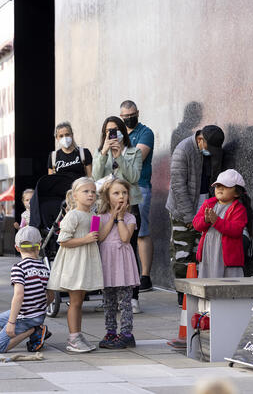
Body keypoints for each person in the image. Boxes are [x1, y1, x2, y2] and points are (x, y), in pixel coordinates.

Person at [165, 125, 224, 305]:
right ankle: (182, 294)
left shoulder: (212, 151)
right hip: (183, 211)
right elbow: (178, 187)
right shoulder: (183, 151)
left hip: (204, 209)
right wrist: (189, 217)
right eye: (208, 148)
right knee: (183, 252)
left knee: (199, 252)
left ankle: (197, 291)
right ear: (200, 140)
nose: (210, 153)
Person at [92, 116, 143, 313]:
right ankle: (109, 294)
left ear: (122, 131)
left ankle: (133, 296)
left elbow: (134, 177)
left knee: (129, 247)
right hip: (104, 207)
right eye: (108, 131)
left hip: (129, 206)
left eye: (116, 130)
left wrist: (120, 155)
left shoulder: (134, 151)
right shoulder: (99, 152)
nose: (113, 134)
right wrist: (104, 152)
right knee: (105, 246)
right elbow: (95, 177)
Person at [47, 177, 104, 353]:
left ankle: (77, 335)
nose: (90, 195)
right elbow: (63, 240)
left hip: (85, 261)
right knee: (75, 301)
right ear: (75, 195)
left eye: (93, 192)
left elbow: (97, 236)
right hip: (74, 261)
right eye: (86, 191)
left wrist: (114, 217)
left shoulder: (93, 215)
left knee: (79, 301)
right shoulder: (73, 215)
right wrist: (85, 239)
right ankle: (73, 338)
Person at [0, 226, 52, 353]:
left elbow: (18, 296)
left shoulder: (19, 268)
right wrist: (39, 307)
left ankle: (33, 331)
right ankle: (36, 327)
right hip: (39, 315)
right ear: (39, 245)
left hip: (25, 316)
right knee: (1, 318)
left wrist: (12, 323)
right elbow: (50, 295)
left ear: (17, 248)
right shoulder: (45, 269)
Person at [97, 179, 139, 349]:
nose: (121, 196)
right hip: (107, 264)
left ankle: (127, 333)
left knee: (125, 301)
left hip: (123, 265)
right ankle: (111, 331)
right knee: (108, 301)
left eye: (124, 192)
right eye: (116, 193)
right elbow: (98, 237)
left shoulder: (131, 218)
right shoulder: (97, 217)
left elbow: (125, 238)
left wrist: (120, 218)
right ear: (107, 197)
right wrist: (112, 217)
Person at [120, 100, 155, 292]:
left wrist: (118, 156)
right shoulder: (117, 135)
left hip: (138, 187)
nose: (128, 119)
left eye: (131, 115)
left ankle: (145, 276)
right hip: (116, 190)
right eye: (124, 117)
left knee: (141, 232)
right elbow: (104, 162)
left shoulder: (145, 133)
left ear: (137, 113)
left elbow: (137, 159)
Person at [193, 169, 251, 278]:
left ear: (237, 192)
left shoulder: (239, 209)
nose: (220, 188)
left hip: (226, 257)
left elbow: (236, 230)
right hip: (208, 253)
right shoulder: (208, 204)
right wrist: (205, 220)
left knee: (228, 285)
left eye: (226, 186)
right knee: (207, 281)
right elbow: (196, 224)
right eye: (218, 185)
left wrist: (216, 221)